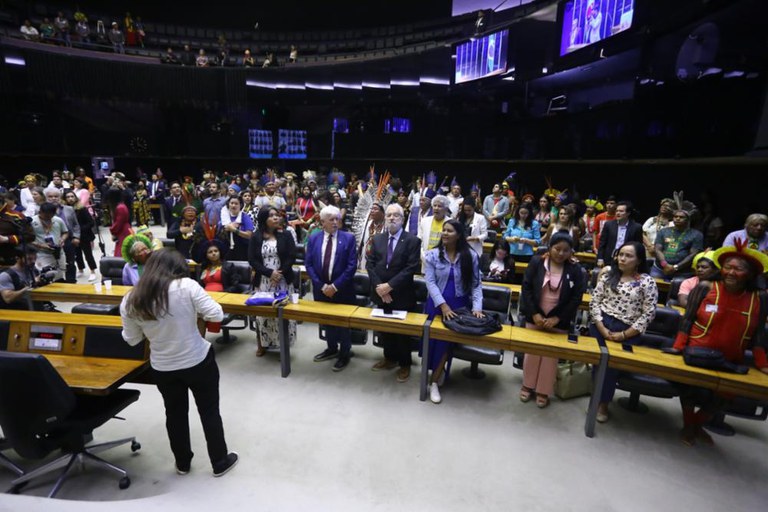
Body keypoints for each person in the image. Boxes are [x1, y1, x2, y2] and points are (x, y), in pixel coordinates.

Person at [120, 249, 238, 477]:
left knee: (174, 414)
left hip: (163, 367)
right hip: (197, 361)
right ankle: (219, 462)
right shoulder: (187, 286)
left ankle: (182, 463)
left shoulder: (131, 299)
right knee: (209, 411)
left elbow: (132, 339)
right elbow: (216, 315)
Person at [667, 241, 768, 446]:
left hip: (732, 358)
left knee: (725, 396)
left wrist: (762, 362)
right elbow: (688, 319)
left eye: (738, 269)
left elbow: (759, 333)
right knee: (689, 389)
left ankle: (696, 424)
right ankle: (689, 426)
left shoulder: (759, 298)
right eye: (728, 267)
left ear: (750, 274)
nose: (731, 272)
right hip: (697, 352)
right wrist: (678, 347)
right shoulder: (706, 287)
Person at [589, 241, 658, 422]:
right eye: (621, 254)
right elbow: (595, 302)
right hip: (601, 323)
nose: (623, 259)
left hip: (627, 329)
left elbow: (649, 313)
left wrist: (625, 334)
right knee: (597, 363)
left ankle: (603, 403)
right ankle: (596, 398)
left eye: (628, 256)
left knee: (611, 367)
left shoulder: (646, 282)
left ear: (639, 260)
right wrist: (601, 327)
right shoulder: (608, 276)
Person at [519, 233, 586, 408]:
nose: (561, 253)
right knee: (532, 353)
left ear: (571, 252)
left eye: (566, 250)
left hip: (559, 320)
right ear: (550, 247)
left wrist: (558, 318)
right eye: (557, 249)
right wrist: (534, 313)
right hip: (536, 316)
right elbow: (526, 288)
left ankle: (543, 390)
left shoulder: (575, 269)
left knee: (551, 357)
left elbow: (576, 297)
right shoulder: (537, 262)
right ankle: (527, 385)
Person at [423, 219, 484, 404]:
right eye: (444, 230)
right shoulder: (433, 255)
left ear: (458, 235)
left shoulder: (470, 256)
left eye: (449, 231)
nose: (445, 233)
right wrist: (443, 305)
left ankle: (434, 382)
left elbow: (476, 284)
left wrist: (477, 308)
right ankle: (435, 372)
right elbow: (430, 282)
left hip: (458, 306)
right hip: (436, 304)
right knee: (432, 343)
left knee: (446, 344)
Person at [366, 204, 421, 382]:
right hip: (380, 293)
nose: (391, 218)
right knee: (385, 330)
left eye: (396, 215)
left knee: (402, 333)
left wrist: (389, 286)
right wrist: (380, 288)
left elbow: (411, 268)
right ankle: (389, 359)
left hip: (402, 294)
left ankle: (405, 364)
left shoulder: (413, 240)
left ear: (402, 219)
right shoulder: (377, 239)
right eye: (389, 215)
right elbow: (370, 265)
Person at [305, 205, 358, 371]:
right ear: (322, 222)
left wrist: (334, 286)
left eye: (337, 219)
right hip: (321, 289)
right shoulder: (314, 238)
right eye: (331, 219)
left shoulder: (348, 238)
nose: (335, 222)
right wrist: (321, 286)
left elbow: (351, 266)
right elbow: (309, 264)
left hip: (342, 289)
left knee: (343, 323)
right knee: (327, 321)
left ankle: (345, 353)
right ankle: (332, 348)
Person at [248, 207, 296, 356]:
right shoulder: (256, 236)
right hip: (263, 280)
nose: (276, 218)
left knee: (283, 313)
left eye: (277, 215)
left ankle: (284, 346)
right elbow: (252, 260)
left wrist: (278, 274)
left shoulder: (286, 234)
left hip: (283, 279)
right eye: (271, 216)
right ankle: (263, 344)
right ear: (264, 219)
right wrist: (270, 273)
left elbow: (291, 257)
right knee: (264, 314)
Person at [651, 209, 703, 281]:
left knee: (678, 285)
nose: (678, 218)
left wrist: (675, 267)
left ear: (688, 220)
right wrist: (665, 265)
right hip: (660, 268)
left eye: (681, 217)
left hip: (683, 272)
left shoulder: (696, 234)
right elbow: (657, 250)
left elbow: (693, 255)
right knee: (653, 283)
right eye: (675, 216)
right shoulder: (663, 231)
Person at [63, 190, 97, 282]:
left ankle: (92, 271)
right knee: (77, 254)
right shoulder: (64, 210)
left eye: (72, 196)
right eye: (68, 197)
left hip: (84, 235)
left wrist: (79, 230)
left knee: (88, 254)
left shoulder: (82, 209)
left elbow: (91, 222)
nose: (70, 199)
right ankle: (81, 269)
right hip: (72, 236)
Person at [596, 201, 644, 268]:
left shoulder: (636, 227)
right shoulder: (608, 225)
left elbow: (638, 246)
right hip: (609, 258)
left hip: (626, 260)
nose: (618, 213)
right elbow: (602, 243)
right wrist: (600, 258)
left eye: (621, 211)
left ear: (628, 213)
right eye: (617, 211)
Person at [219, 196, 253, 261]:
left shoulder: (244, 217)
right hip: (227, 249)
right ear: (228, 204)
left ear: (240, 205)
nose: (233, 205)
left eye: (236, 203)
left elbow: (249, 235)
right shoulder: (224, 218)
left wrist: (234, 230)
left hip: (243, 249)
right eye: (231, 203)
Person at [418, 195, 450, 260]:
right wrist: (422, 254)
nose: (436, 208)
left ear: (446, 209)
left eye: (439, 206)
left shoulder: (450, 222)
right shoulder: (424, 221)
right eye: (434, 206)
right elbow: (419, 238)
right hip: (426, 257)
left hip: (444, 258)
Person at [107, 188, 131, 257]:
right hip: (124, 229)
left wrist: (112, 231)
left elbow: (118, 223)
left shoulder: (120, 208)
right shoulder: (121, 206)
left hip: (123, 231)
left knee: (121, 253)